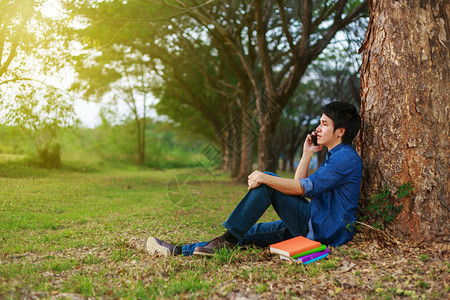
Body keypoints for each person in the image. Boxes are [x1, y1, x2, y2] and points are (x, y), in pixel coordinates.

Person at [146, 101, 362, 257]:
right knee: (248, 234)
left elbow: (299, 188)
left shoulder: (345, 158)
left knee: (267, 180)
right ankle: (178, 250)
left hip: (323, 233)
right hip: (312, 223)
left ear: (340, 131)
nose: (318, 128)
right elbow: (299, 185)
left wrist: (263, 177)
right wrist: (307, 153)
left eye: (324, 123)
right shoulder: (334, 156)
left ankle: (226, 240)